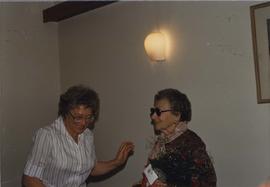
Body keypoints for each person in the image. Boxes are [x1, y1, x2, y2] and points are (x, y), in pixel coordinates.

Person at [22, 85, 134, 187]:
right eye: (78, 117)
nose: (84, 123)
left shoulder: (88, 135)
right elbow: (30, 179)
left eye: (89, 117)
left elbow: (91, 168)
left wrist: (116, 162)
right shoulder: (47, 135)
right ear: (65, 112)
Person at [137, 88, 216, 187]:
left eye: (158, 111)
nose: (153, 116)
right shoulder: (162, 141)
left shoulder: (192, 143)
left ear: (177, 115)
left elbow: (208, 183)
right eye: (152, 111)